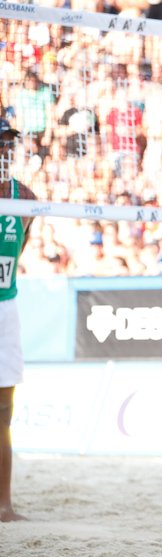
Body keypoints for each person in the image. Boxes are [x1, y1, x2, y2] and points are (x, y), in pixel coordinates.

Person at [0, 118, 36, 522]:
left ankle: (3, 505)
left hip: (5, 307)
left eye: (9, 144)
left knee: (4, 410)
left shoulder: (24, 197)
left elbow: (18, 250)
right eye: (1, 144)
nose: (5, 151)